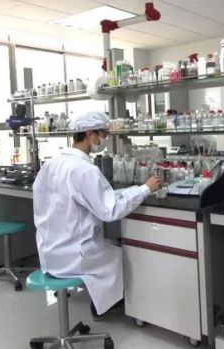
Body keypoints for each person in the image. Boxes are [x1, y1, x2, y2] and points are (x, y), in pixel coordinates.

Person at [32, 111, 163, 317]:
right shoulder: (84, 170)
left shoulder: (52, 164)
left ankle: (103, 297)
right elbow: (109, 210)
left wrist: (133, 190)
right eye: (104, 134)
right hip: (75, 255)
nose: (105, 139)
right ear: (90, 134)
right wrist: (145, 189)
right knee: (119, 254)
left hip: (49, 252)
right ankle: (107, 305)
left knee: (108, 245)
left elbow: (97, 197)